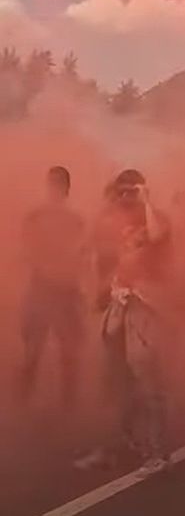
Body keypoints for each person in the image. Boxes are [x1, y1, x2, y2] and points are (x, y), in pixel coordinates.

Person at [79, 169, 175, 475]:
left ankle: (158, 453)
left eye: (130, 192)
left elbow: (157, 235)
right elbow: (100, 252)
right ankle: (115, 447)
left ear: (142, 191)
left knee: (146, 378)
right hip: (117, 305)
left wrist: (145, 199)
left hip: (144, 306)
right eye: (120, 192)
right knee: (114, 382)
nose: (124, 198)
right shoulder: (115, 223)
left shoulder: (155, 219)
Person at [15, 166, 87, 408]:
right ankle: (20, 406)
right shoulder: (34, 217)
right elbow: (23, 250)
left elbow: (82, 256)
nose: (55, 189)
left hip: (66, 292)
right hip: (40, 290)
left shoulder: (76, 221)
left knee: (69, 354)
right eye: (52, 183)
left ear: (67, 189)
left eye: (60, 184)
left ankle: (69, 412)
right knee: (32, 353)